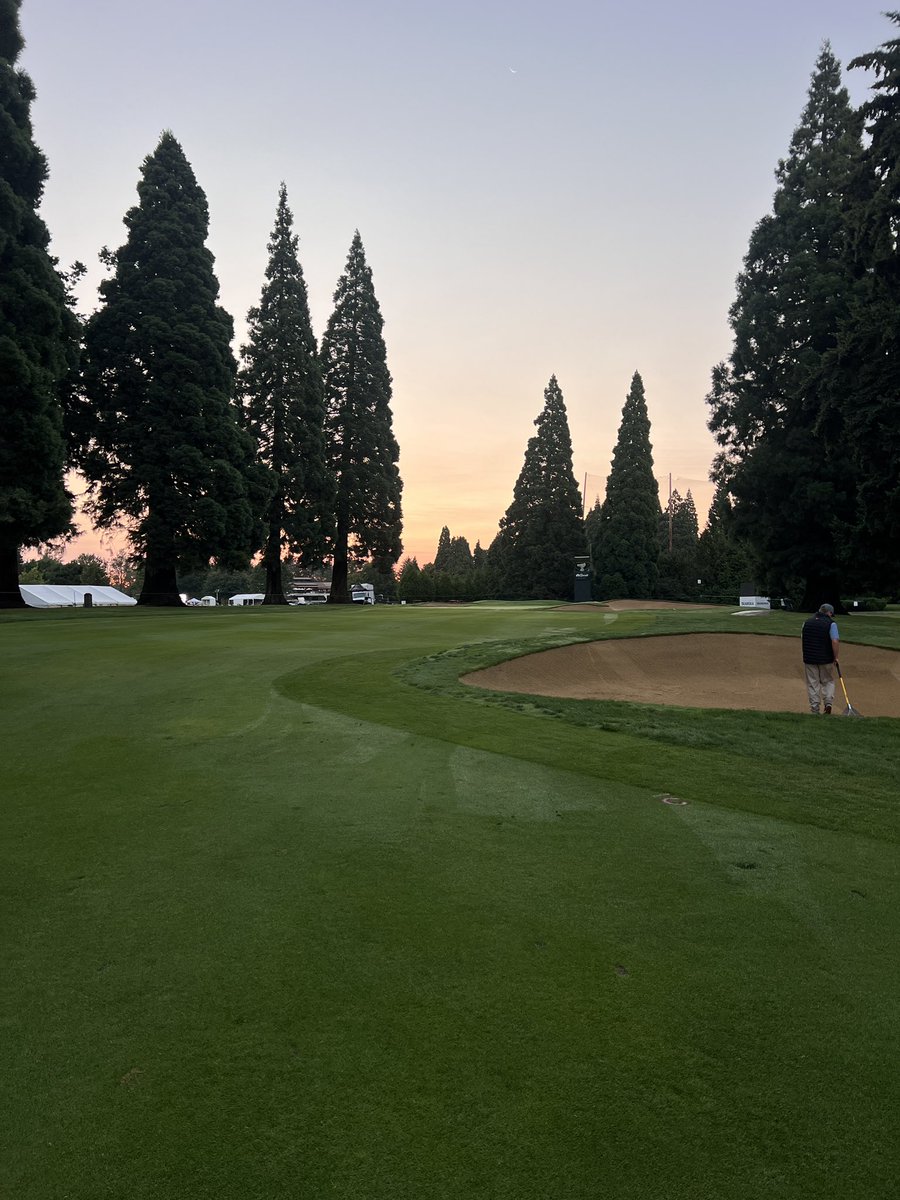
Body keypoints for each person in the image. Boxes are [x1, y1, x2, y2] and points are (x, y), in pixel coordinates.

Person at [801, 603, 840, 714]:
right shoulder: (831, 624)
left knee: (813, 684)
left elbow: (803, 639)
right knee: (828, 681)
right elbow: (835, 641)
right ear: (829, 613)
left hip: (809, 658)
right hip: (826, 659)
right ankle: (828, 703)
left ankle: (815, 709)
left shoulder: (806, 623)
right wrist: (836, 657)